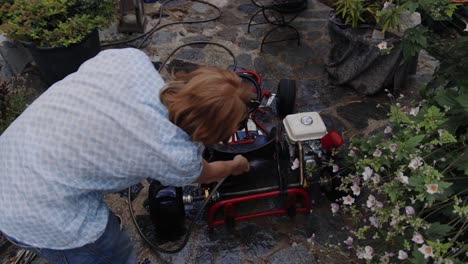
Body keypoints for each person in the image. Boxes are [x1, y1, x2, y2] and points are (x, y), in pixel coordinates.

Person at [0, 48, 251, 263]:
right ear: (209, 132)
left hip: (11, 156)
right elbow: (204, 173)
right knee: (110, 252)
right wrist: (235, 164)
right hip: (35, 211)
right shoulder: (175, 154)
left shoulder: (130, 60)